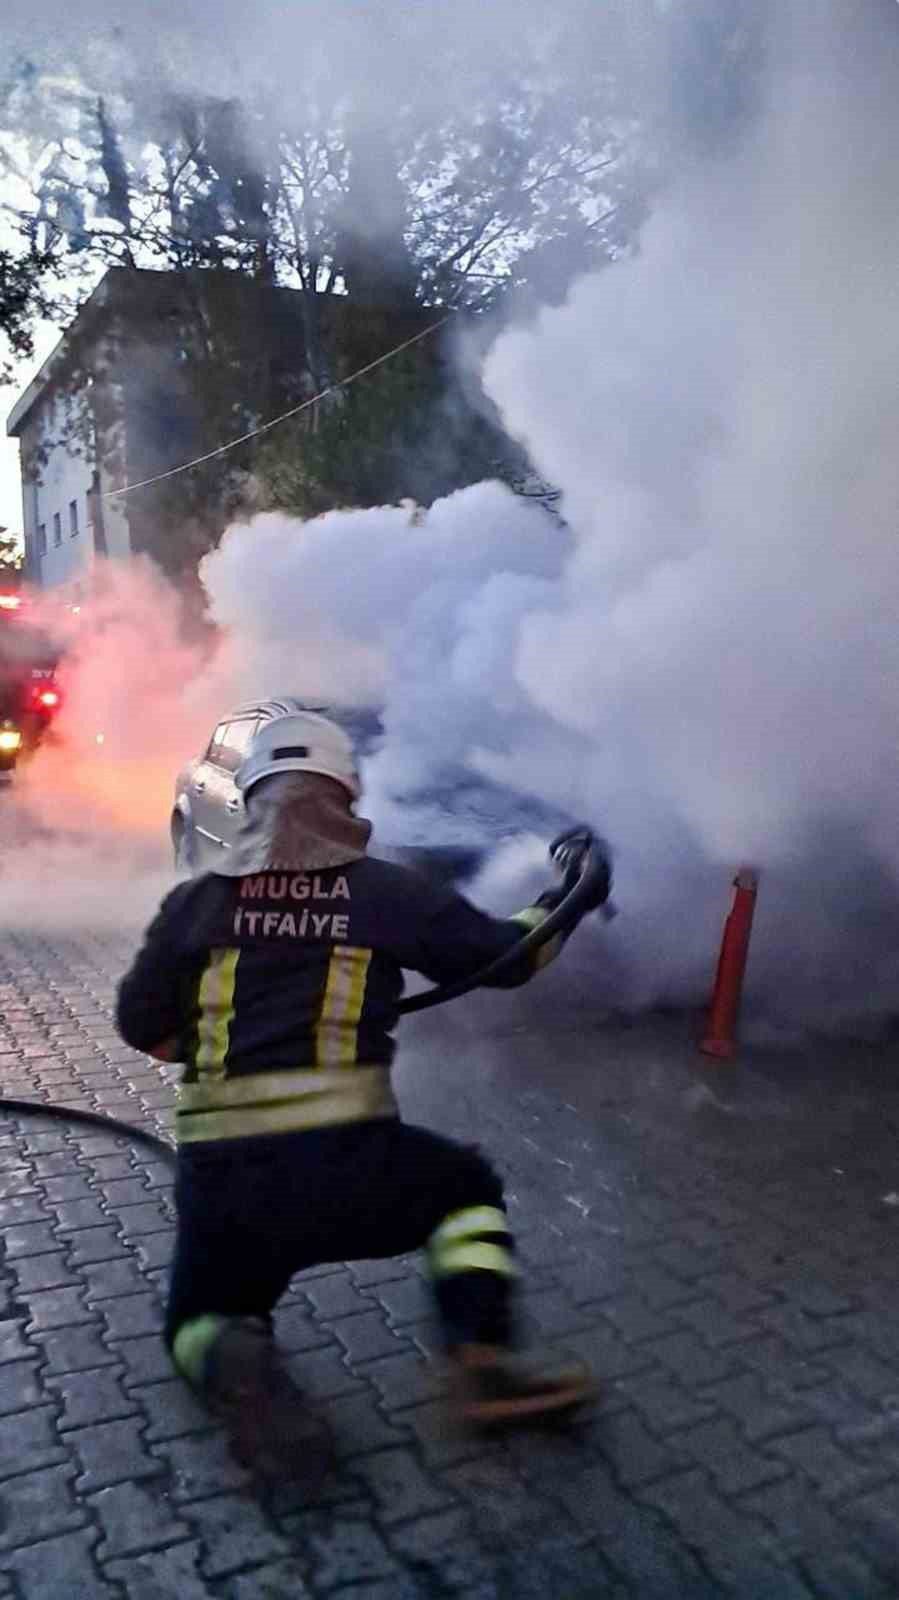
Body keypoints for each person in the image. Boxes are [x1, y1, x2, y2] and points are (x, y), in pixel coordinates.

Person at [116, 709, 612, 1470]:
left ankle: (236, 1361)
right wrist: (569, 892)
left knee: (199, 1317)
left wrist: (217, 1041)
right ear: (345, 798)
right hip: (349, 1166)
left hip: (223, 1184)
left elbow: (138, 1026)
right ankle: (480, 1360)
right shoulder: (384, 892)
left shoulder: (196, 903)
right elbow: (506, 958)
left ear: (251, 802)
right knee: (464, 1190)